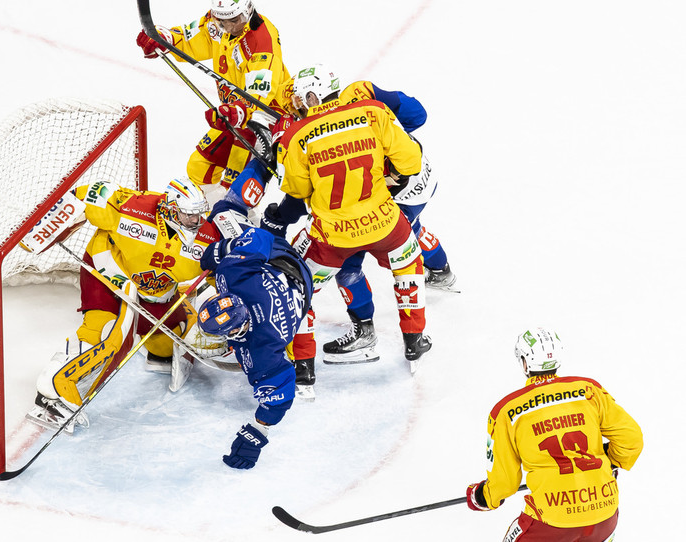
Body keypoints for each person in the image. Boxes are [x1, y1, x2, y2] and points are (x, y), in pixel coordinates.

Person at [262, 64, 433, 399]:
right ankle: (415, 340)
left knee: (298, 285)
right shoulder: (372, 111)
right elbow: (412, 162)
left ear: (312, 95)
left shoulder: (298, 133)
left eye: (301, 97)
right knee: (409, 265)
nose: (299, 103)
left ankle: (304, 366)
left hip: (334, 234)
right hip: (385, 221)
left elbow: (296, 190)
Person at [27, 177, 212, 432]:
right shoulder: (131, 207)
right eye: (189, 215)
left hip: (155, 289)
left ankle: (157, 346)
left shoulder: (208, 234)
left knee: (173, 339)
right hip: (107, 275)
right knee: (105, 332)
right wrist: (44, 227)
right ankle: (52, 392)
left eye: (199, 215)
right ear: (170, 208)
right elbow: (89, 192)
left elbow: (228, 266)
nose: (196, 222)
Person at [466, 327, 643, 541]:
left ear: (524, 362)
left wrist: (483, 497)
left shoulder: (506, 411)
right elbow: (631, 439)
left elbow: (505, 482)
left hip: (550, 522)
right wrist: (611, 460)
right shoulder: (589, 390)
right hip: (604, 515)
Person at [136, 0, 290, 201]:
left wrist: (240, 112)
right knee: (199, 168)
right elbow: (191, 38)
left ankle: (236, 224)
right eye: (222, 21)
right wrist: (165, 38)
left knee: (235, 191)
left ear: (248, 10)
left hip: (262, 120)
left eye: (235, 20)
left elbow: (259, 94)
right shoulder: (218, 22)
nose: (229, 27)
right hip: (233, 114)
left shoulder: (261, 41)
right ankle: (213, 219)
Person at [197, 225, 312, 469]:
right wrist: (224, 252)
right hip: (288, 266)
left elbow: (280, 397)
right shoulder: (232, 273)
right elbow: (260, 235)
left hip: (298, 287)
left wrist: (257, 432)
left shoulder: (261, 353)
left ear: (236, 330)